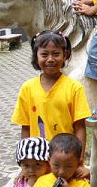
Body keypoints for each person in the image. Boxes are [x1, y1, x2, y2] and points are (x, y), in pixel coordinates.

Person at [11, 30, 91, 178]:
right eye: (44, 54)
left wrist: (79, 162)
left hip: (65, 161)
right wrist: (25, 162)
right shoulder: (27, 88)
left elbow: (80, 127)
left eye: (56, 54)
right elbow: (26, 128)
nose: (50, 59)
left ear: (65, 55)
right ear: (36, 56)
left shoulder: (74, 87)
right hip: (38, 162)